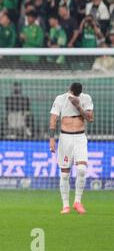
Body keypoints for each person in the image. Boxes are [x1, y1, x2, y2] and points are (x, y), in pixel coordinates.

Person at [49, 82, 94, 215]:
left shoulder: (86, 98)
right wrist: (52, 138)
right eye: (75, 93)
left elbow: (90, 119)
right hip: (65, 138)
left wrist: (79, 106)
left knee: (81, 170)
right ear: (70, 90)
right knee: (65, 173)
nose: (76, 95)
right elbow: (53, 119)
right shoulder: (60, 99)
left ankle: (77, 202)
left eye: (78, 94)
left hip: (80, 138)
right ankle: (66, 205)